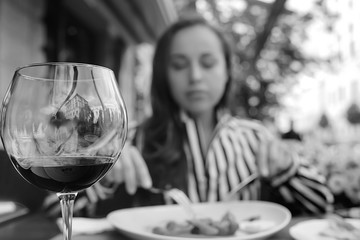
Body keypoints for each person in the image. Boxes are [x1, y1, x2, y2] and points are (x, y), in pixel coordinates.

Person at [43, 16, 333, 217]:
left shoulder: (256, 137)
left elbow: (323, 204)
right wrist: (103, 179)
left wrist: (287, 167)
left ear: (228, 70)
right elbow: (51, 211)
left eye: (208, 63)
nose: (195, 77)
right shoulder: (129, 139)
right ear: (164, 75)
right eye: (180, 65)